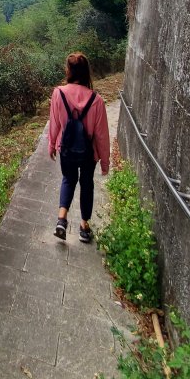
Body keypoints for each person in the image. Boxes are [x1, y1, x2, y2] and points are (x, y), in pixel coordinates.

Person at [48, 52, 110, 243]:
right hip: (88, 153)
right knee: (87, 184)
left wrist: (51, 144)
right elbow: (102, 135)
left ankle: (61, 219)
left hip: (66, 149)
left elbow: (55, 123)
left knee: (68, 179)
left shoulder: (58, 93)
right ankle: (84, 227)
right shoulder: (96, 100)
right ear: (86, 73)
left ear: (69, 71)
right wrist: (105, 162)